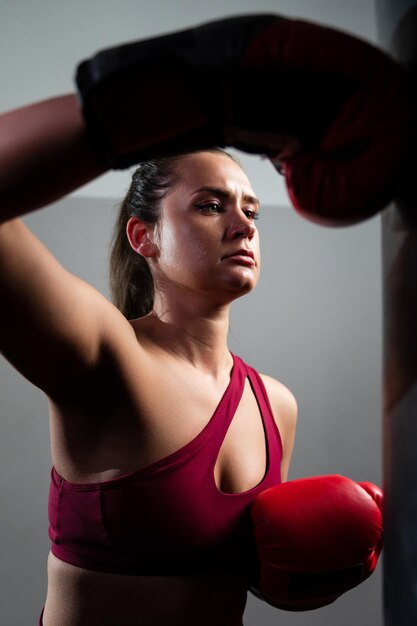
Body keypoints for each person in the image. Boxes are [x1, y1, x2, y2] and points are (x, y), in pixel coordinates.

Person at [0, 95, 297, 626]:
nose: (244, 225)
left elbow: (236, 575)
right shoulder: (109, 356)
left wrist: (301, 575)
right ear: (145, 236)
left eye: (251, 210)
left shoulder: (275, 404)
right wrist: (189, 89)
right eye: (211, 205)